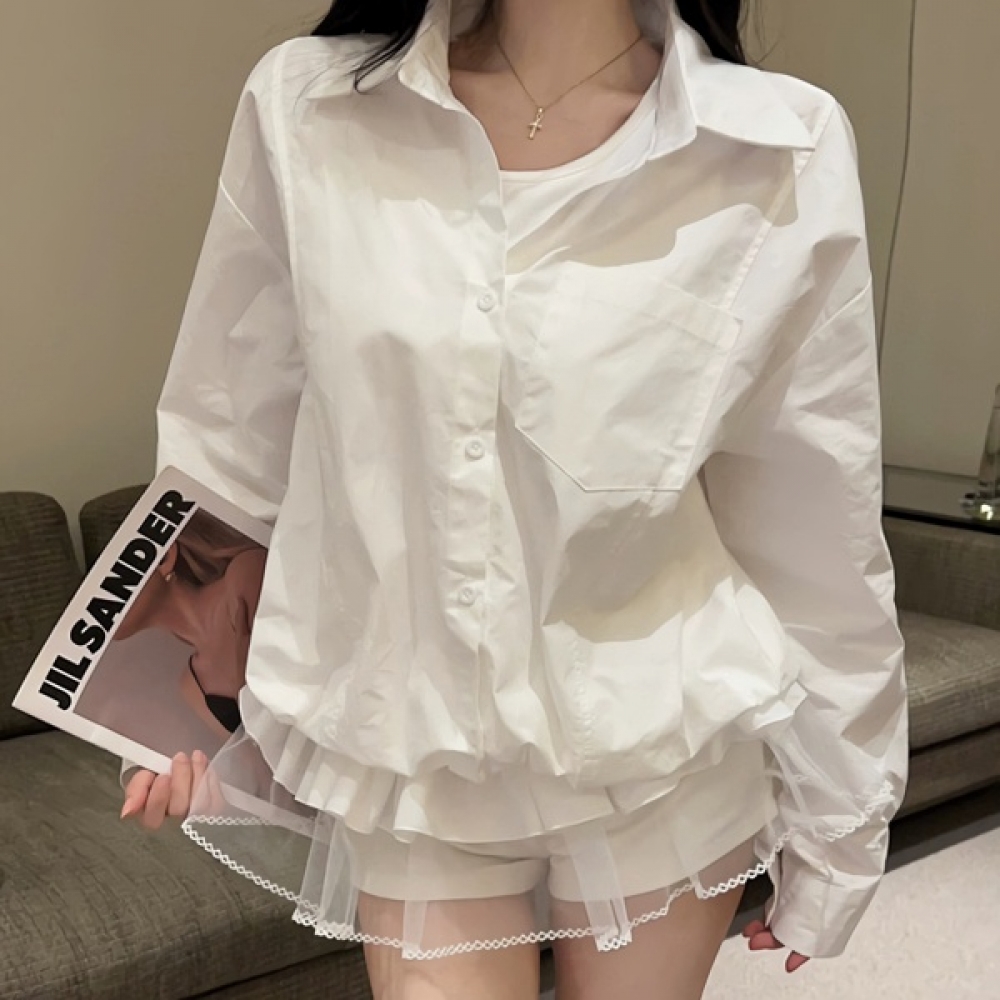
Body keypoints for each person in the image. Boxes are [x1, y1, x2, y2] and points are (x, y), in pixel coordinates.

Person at [118, 0, 910, 996]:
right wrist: (149, 697)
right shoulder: (309, 108)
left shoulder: (774, 146)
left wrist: (844, 819)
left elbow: (812, 510)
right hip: (410, 755)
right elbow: (231, 431)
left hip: (660, 738)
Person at [117, 510, 266, 775]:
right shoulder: (191, 684)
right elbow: (262, 773)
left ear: (165, 557)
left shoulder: (245, 574)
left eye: (114, 578)